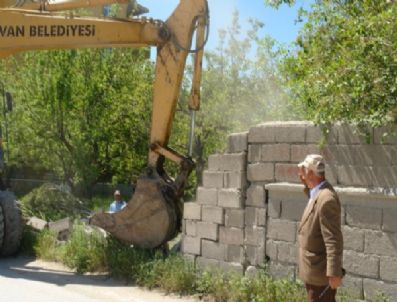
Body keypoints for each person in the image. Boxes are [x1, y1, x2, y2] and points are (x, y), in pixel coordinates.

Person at [297, 154, 343, 302]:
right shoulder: (316, 192)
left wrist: (334, 273)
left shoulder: (326, 199)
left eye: (303, 170)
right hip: (313, 273)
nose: (301, 174)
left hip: (320, 276)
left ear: (311, 173)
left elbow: (333, 240)